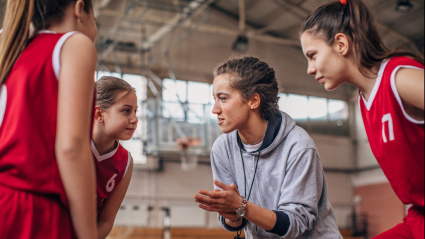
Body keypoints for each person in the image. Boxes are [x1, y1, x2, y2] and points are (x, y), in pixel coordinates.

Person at [299, 0, 424, 238]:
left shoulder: (398, 79)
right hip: (418, 218)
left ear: (341, 44)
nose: (309, 69)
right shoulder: (365, 100)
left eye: (313, 56)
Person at [194, 57, 342, 238]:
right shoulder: (222, 148)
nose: (215, 109)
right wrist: (232, 214)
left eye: (223, 99)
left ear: (253, 101)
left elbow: (295, 224)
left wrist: (241, 206)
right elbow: (236, 221)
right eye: (214, 99)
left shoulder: (299, 146)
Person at [0, 0, 98, 238]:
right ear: (79, 9)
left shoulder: (9, 46)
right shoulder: (73, 44)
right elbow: (71, 148)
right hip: (29, 206)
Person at [93, 76, 137, 238]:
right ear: (99, 114)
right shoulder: (72, 144)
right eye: (126, 110)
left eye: (135, 111)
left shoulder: (125, 162)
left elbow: (106, 221)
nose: (135, 119)